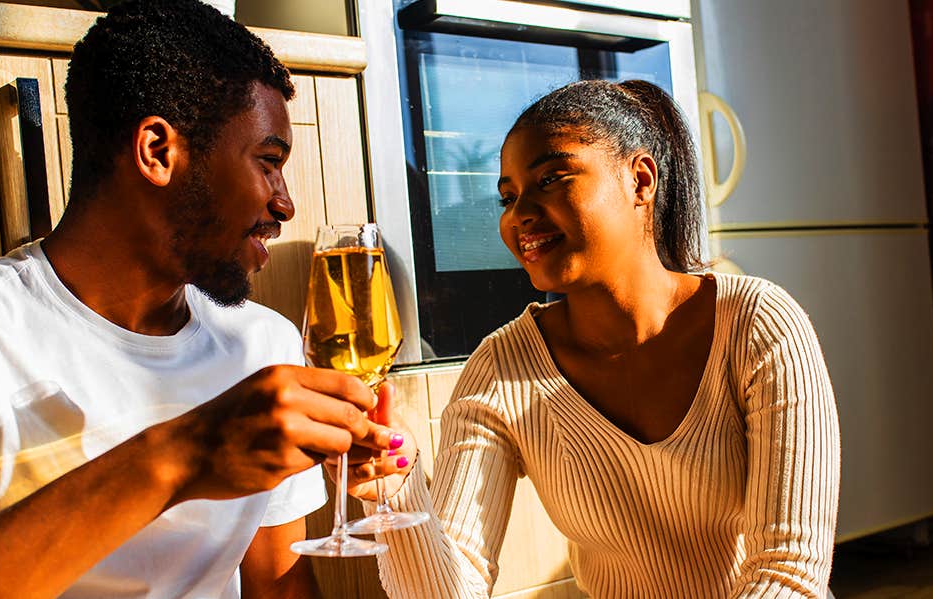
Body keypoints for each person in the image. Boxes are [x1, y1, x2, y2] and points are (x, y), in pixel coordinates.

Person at [0, 1, 408, 596]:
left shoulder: (261, 343)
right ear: (158, 151)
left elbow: (279, 586)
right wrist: (180, 457)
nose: (285, 203)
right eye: (268, 162)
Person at [350, 80, 841, 597]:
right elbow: (451, 591)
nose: (520, 215)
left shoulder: (759, 324)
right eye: (509, 197)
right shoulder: (502, 368)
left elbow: (788, 573)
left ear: (640, 180)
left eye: (551, 178)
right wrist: (396, 497)